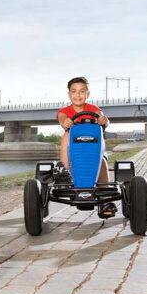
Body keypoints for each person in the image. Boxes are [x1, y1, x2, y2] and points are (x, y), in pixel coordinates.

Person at [56, 76, 115, 217]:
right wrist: (66, 122)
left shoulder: (93, 109)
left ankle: (104, 200)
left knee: (102, 163)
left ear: (88, 94)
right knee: (66, 135)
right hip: (75, 152)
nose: (78, 95)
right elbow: (62, 118)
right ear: (69, 94)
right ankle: (64, 170)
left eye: (82, 91)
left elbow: (103, 119)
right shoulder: (65, 111)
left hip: (94, 151)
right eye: (74, 91)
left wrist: (103, 120)